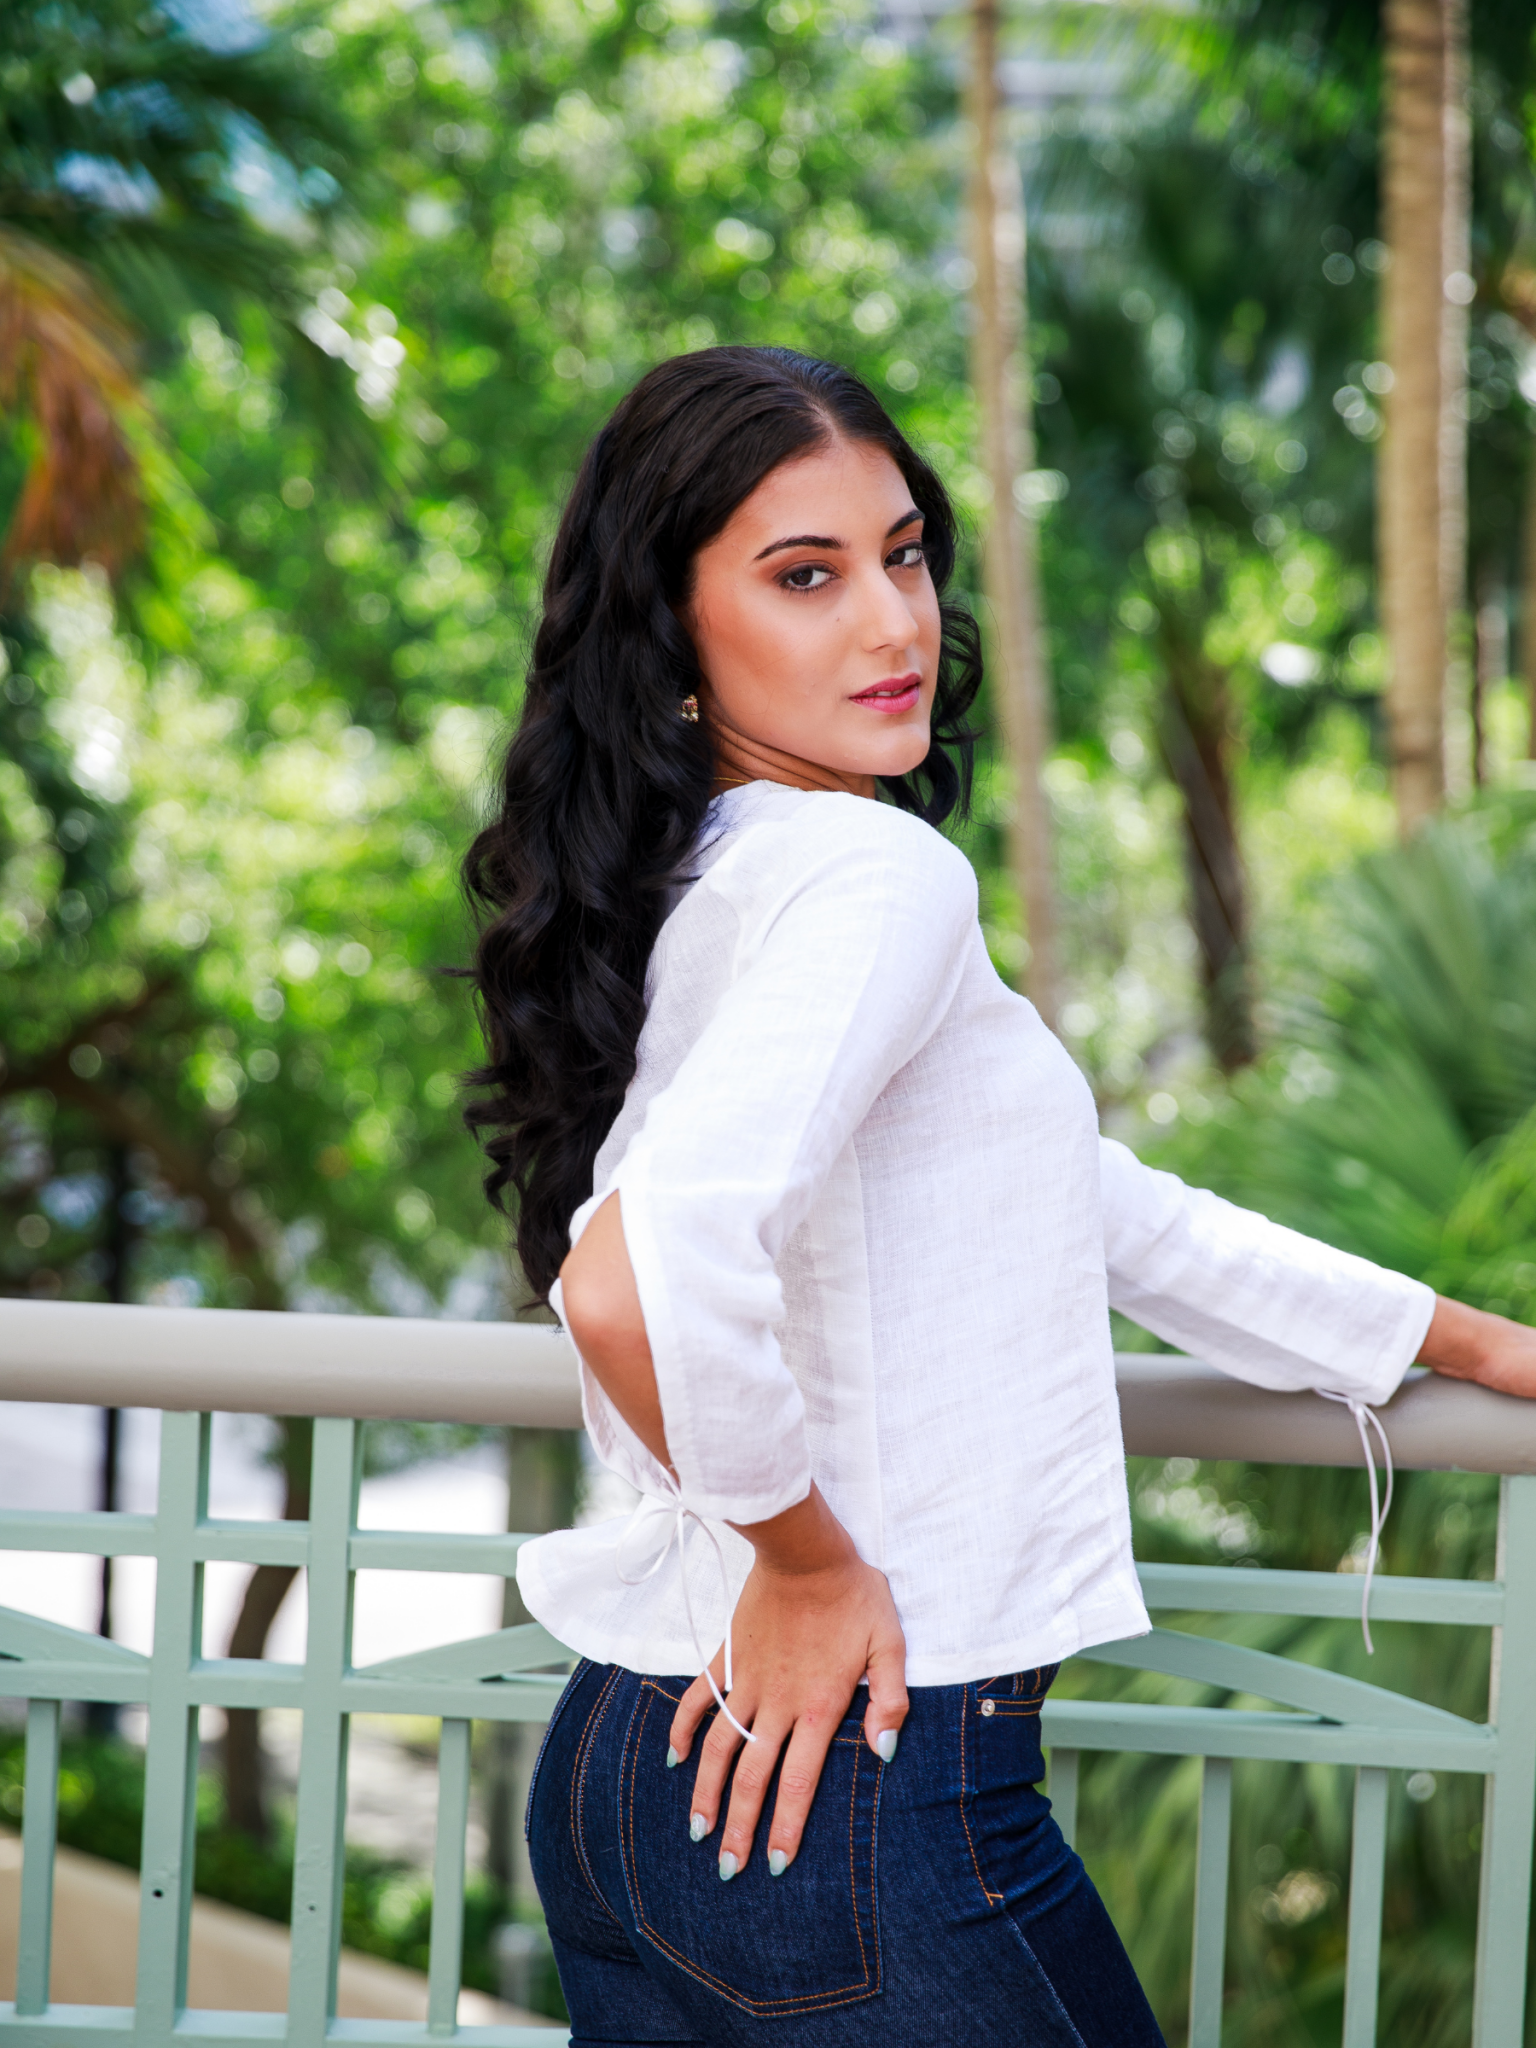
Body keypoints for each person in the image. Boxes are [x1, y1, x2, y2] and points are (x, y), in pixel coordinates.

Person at [462, 345, 1536, 2048]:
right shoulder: (874, 877)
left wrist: (1462, 1338)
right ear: (672, 638)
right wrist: (805, 1566)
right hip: (855, 1787)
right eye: (804, 577)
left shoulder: (725, 875)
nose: (895, 626)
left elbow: (1092, 1207)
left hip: (624, 1779)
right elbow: (635, 1278)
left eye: (904, 555)